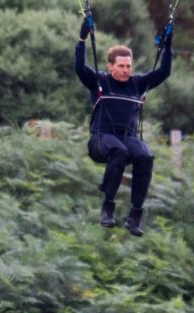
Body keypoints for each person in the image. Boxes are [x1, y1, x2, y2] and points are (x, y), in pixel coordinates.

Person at [74, 13, 173, 237]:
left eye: (129, 66)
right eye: (121, 66)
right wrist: (81, 40)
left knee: (145, 156)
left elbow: (164, 71)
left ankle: (135, 216)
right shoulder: (100, 81)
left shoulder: (138, 83)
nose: (126, 70)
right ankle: (107, 207)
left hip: (127, 137)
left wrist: (168, 46)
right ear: (110, 67)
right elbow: (80, 68)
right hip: (101, 139)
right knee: (118, 150)